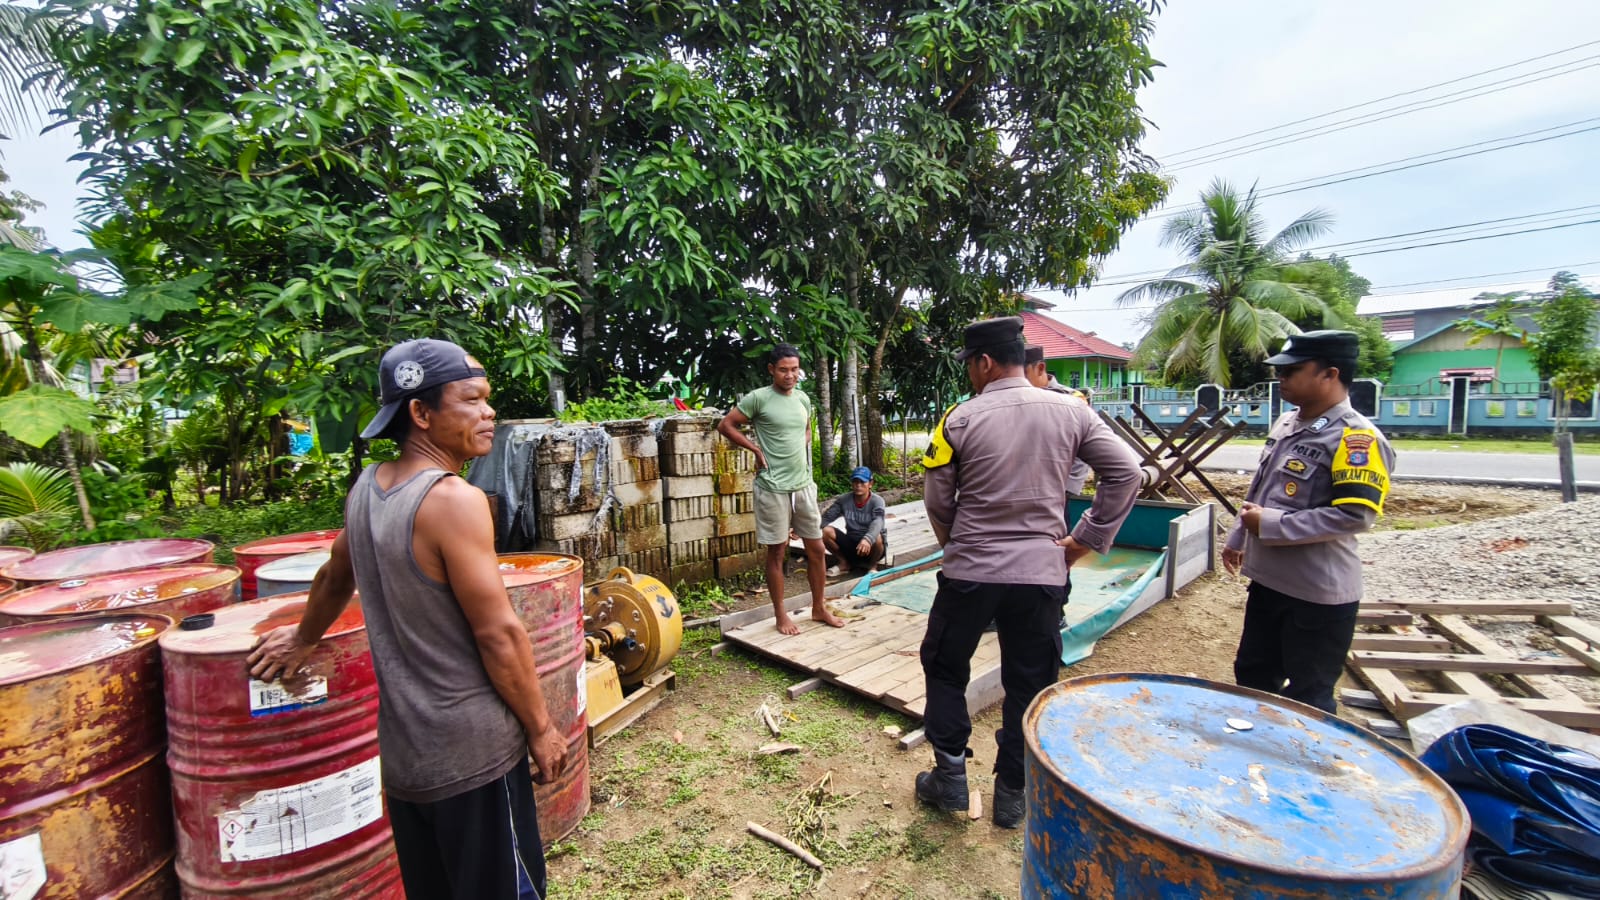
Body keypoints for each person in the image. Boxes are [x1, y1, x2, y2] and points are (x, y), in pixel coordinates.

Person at [248, 339, 568, 899]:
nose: (489, 411)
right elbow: (499, 634)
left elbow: (332, 577)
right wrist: (542, 729)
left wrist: (302, 640)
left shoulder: (367, 490)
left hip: (407, 759)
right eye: (471, 400)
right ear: (421, 414)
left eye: (487, 399)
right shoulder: (453, 500)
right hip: (474, 756)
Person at [916, 317, 1142, 828]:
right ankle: (1012, 793)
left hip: (970, 572)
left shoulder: (959, 418)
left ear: (985, 362)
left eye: (971, 366)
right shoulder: (1074, 411)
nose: (971, 376)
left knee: (946, 663)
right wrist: (1087, 538)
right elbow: (1126, 472)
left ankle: (949, 778)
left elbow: (937, 497)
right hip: (1041, 574)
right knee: (1030, 679)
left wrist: (960, 546)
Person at [1223, 330, 1395, 716]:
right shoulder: (1287, 423)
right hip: (1269, 582)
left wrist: (1270, 524)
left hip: (1317, 593)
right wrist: (1238, 536)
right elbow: (1262, 487)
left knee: (1309, 696)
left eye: (1293, 370)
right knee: (1253, 675)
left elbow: (1356, 516)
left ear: (1330, 374)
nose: (1281, 379)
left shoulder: (1356, 438)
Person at [717, 344, 845, 635]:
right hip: (773, 488)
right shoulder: (759, 398)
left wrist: (802, 447)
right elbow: (726, 425)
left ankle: (819, 607)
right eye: (784, 370)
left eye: (794, 369)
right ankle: (781, 615)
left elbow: (806, 429)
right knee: (777, 552)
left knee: (817, 548)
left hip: (803, 486)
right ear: (772, 370)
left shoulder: (802, 398)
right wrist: (755, 450)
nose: (790, 375)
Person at [820, 466, 887, 575]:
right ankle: (844, 563)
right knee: (825, 531)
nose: (858, 485)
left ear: (870, 484)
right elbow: (826, 518)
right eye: (855, 482)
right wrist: (803, 530)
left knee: (878, 537)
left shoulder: (877, 501)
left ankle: (872, 566)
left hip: (872, 545)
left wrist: (868, 539)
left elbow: (878, 521)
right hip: (852, 541)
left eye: (862, 482)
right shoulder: (844, 500)